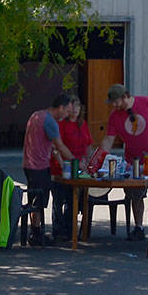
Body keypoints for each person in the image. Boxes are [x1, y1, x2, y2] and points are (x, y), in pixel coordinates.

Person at [98, 83, 148, 240]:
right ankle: (139, 227)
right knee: (135, 193)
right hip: (133, 160)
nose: (114, 105)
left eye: (116, 102)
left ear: (125, 97)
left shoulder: (146, 102)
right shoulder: (115, 115)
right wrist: (100, 158)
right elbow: (108, 139)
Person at [23, 94, 77, 246]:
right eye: (67, 111)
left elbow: (49, 145)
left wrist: (56, 156)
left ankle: (36, 231)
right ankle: (36, 234)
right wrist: (74, 161)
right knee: (39, 201)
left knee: (35, 199)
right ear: (60, 107)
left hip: (28, 164)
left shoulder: (36, 115)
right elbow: (59, 145)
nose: (67, 115)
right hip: (39, 166)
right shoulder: (50, 122)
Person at [49, 95, 94, 233]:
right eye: (72, 106)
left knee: (74, 199)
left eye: (78, 106)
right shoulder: (62, 124)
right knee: (59, 199)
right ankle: (58, 230)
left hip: (79, 168)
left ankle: (71, 229)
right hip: (62, 167)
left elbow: (88, 145)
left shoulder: (83, 124)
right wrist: (63, 164)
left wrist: (88, 160)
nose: (75, 110)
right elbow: (57, 147)